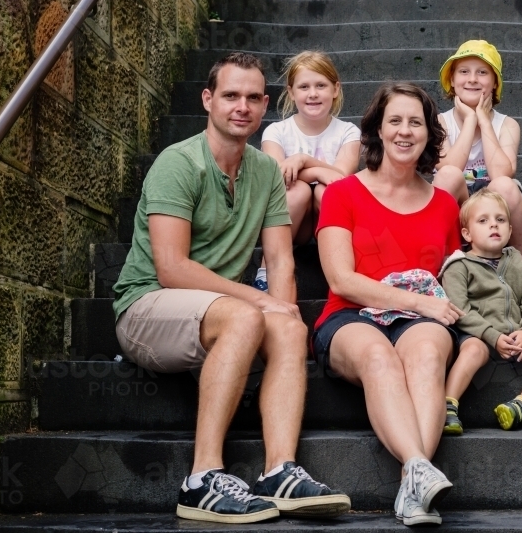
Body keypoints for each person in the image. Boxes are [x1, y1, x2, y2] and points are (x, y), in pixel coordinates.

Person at [111, 52, 349, 524]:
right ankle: (200, 479)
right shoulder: (177, 163)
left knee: (286, 325)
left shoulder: (264, 171)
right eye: (230, 96)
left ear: (265, 106)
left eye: (252, 98)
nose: (242, 106)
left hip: (217, 313)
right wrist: (263, 301)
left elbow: (281, 259)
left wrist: (285, 314)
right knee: (251, 314)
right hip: (146, 309)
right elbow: (172, 268)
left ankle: (279, 469)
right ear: (208, 100)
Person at [314, 82, 463, 527]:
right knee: (379, 356)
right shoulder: (343, 193)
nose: (404, 131)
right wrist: (421, 302)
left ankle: (411, 491)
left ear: (428, 134)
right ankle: (418, 465)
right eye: (394, 120)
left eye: (415, 122)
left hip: (418, 318)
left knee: (428, 352)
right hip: (349, 314)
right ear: (377, 129)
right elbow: (341, 278)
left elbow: (457, 275)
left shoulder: (444, 204)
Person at [439, 189, 522, 434]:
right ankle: (448, 406)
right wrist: (491, 336)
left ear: (510, 230)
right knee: (473, 350)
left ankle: (520, 405)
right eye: (483, 220)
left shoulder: (516, 261)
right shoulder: (459, 266)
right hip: (479, 336)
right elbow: (460, 310)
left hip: (517, 338)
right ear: (466, 233)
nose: (493, 225)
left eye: (500, 220)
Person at [430, 40, 522, 297]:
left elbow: (503, 172)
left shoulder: (507, 124)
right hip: (456, 200)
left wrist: (483, 119)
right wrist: (470, 121)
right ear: (452, 80)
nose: (472, 79)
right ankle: (441, 265)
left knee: (504, 184)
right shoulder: (440, 122)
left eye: (482, 72)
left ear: (494, 83)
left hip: (496, 202)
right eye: (464, 71)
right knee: (448, 175)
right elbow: (449, 166)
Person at [253, 51, 360, 290]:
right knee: (298, 190)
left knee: (325, 191)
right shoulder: (277, 132)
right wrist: (316, 172)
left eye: (321, 85)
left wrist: (302, 160)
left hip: (330, 217)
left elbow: (339, 179)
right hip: (294, 221)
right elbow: (277, 178)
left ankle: (345, 269)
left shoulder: (348, 131)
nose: (313, 94)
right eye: (304, 87)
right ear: (291, 92)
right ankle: (265, 270)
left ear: (335, 89)